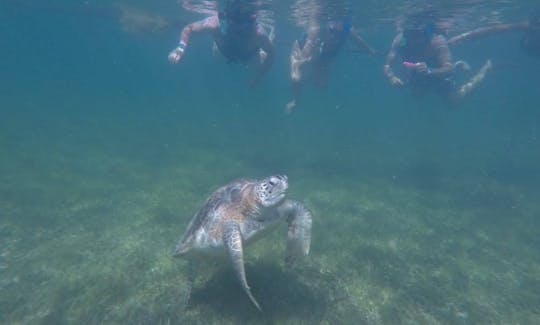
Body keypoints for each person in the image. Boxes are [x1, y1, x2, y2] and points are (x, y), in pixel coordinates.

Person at [383, 12, 492, 103]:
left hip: (438, 72)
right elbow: (387, 64)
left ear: (424, 33)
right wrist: (391, 77)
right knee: (416, 96)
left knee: (453, 102)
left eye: (417, 35)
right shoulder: (399, 40)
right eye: (410, 35)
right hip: (419, 72)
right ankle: (458, 65)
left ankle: (484, 70)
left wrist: (430, 71)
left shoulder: (437, 42)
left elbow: (448, 69)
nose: (413, 40)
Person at [168, 1, 274, 87]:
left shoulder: (258, 34)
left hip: (251, 56)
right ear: (226, 19)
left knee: (262, 56)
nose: (239, 29)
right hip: (222, 52)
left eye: (245, 25)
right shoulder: (214, 24)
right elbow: (189, 29)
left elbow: (271, 54)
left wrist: (258, 78)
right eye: (236, 23)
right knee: (217, 52)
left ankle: (272, 36)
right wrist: (180, 49)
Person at [286, 16, 376, 113]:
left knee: (321, 85)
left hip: (323, 56)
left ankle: (311, 81)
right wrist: (310, 61)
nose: (339, 27)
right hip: (302, 52)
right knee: (296, 77)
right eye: (335, 25)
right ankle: (295, 101)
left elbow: (359, 42)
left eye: (342, 23)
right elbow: (304, 58)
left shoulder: (346, 30)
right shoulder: (318, 31)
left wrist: (370, 51)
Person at [448, 9, 540, 57]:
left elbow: (493, 30)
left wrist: (461, 37)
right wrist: (461, 37)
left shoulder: (530, 26)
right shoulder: (530, 26)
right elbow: (493, 29)